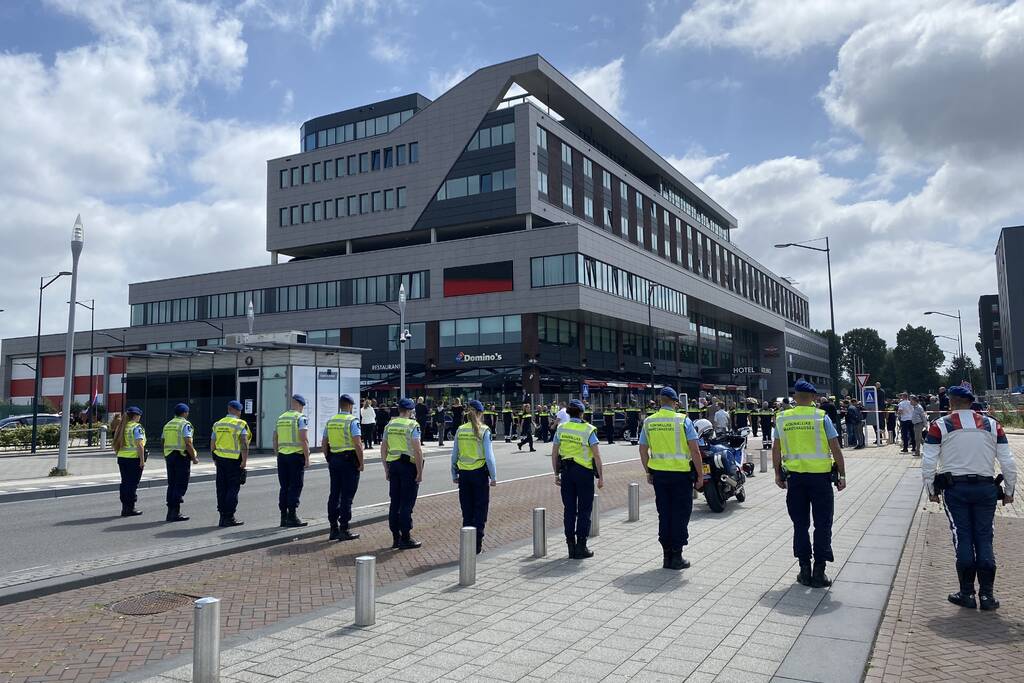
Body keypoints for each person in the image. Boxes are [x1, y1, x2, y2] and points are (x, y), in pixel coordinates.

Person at [923, 385, 1016, 610]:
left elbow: (928, 463)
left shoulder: (940, 426)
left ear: (951, 403)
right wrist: (1010, 491)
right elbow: (1008, 463)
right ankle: (987, 596)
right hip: (986, 489)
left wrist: (931, 490)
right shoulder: (993, 425)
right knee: (984, 537)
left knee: (962, 537)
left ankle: (967, 594)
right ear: (971, 403)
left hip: (956, 490)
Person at [773, 380, 847, 588]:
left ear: (795, 397)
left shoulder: (782, 418)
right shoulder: (821, 417)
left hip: (795, 480)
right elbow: (836, 448)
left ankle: (804, 570)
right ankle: (819, 571)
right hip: (820, 480)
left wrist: (777, 474)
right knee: (823, 524)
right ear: (814, 398)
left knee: (800, 525)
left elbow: (776, 449)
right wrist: (842, 474)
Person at [639, 387, 704, 570]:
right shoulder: (683, 420)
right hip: (681, 476)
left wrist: (648, 471)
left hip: (659, 476)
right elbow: (695, 450)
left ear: (660, 401)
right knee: (680, 514)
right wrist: (700, 475)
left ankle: (666, 555)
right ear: (675, 402)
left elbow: (643, 450)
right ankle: (677, 555)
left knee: (664, 514)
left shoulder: (649, 421)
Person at [551, 399, 603, 559]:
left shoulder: (561, 428)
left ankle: (570, 547)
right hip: (584, 473)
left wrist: (556, 474)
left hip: (567, 472)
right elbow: (596, 455)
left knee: (569, 510)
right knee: (585, 510)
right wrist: (601, 477)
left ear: (568, 413)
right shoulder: (588, 429)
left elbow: (554, 453)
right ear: (582, 413)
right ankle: (581, 546)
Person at [451, 400, 497, 554]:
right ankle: (477, 545)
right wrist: (494, 476)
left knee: (467, 511)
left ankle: (467, 544)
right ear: (480, 413)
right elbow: (489, 457)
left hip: (464, 474)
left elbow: (454, 455)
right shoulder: (484, 430)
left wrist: (453, 473)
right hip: (479, 474)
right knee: (480, 510)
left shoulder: (460, 429)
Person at [382, 397, 424, 549]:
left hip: (393, 465)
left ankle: (395, 537)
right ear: (410, 410)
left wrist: (386, 468)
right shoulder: (413, 425)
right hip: (408, 467)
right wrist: (419, 472)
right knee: (407, 503)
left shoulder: (390, 425)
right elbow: (417, 450)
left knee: (395, 502)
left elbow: (383, 448)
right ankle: (405, 537)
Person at [322, 394, 364, 541]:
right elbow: (357, 444)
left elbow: (324, 442)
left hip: (334, 460)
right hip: (349, 461)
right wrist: (361, 462)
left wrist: (329, 458)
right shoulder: (352, 421)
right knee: (347, 496)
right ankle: (344, 528)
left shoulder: (331, 421)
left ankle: (333, 528)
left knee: (334, 494)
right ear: (351, 406)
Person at [274, 394, 310, 528]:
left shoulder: (281, 417)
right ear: (300, 405)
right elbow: (304, 439)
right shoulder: (300, 418)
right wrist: (307, 458)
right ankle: (292, 516)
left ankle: (283, 517)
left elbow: (275, 438)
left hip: (282, 456)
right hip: (295, 456)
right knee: (295, 486)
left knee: (284, 487)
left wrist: (277, 454)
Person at [211, 400, 249, 527]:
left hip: (220, 459)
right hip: (234, 460)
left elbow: (213, 443)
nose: (240, 413)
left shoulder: (218, 424)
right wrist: (244, 461)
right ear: (234, 410)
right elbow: (244, 443)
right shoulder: (240, 424)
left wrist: (214, 458)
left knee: (221, 488)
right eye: (239, 410)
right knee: (233, 489)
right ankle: (229, 517)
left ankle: (222, 516)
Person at [162, 402, 197, 522]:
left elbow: (163, 439)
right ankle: (175, 513)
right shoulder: (185, 424)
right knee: (180, 484)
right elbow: (188, 442)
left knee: (171, 484)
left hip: (169, 456)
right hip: (181, 457)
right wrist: (194, 457)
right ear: (185, 413)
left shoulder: (168, 424)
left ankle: (170, 511)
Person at [114, 406, 146, 517]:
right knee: (132, 484)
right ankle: (130, 508)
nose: (140, 417)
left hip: (122, 458)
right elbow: (140, 445)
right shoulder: (137, 427)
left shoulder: (122, 426)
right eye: (139, 415)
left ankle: (125, 507)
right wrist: (142, 461)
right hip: (133, 459)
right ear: (136, 416)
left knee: (125, 483)